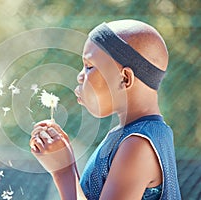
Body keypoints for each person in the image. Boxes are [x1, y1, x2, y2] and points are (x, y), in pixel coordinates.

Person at [29, 19, 181, 200]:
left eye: (89, 67)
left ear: (124, 78)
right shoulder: (133, 135)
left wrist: (63, 172)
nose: (79, 76)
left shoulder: (138, 144)